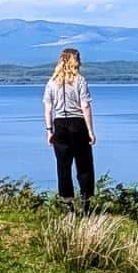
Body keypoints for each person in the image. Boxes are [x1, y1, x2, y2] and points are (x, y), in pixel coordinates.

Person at [43, 48, 97, 213]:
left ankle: (68, 203)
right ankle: (86, 200)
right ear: (75, 61)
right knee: (84, 164)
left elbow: (48, 106)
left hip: (59, 125)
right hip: (78, 124)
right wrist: (90, 131)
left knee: (63, 165)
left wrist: (49, 130)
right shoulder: (80, 80)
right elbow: (85, 106)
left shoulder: (52, 82)